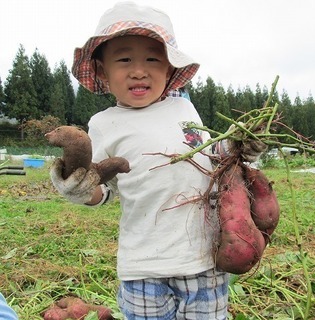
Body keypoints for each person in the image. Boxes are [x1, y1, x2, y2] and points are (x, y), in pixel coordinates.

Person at [50, 2, 266, 319]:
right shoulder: (103, 123)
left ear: (169, 69)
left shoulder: (184, 110)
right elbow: (103, 189)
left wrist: (239, 147)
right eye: (124, 59)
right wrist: (79, 188)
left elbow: (211, 162)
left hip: (204, 260)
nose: (139, 70)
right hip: (143, 267)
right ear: (102, 70)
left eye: (153, 58)